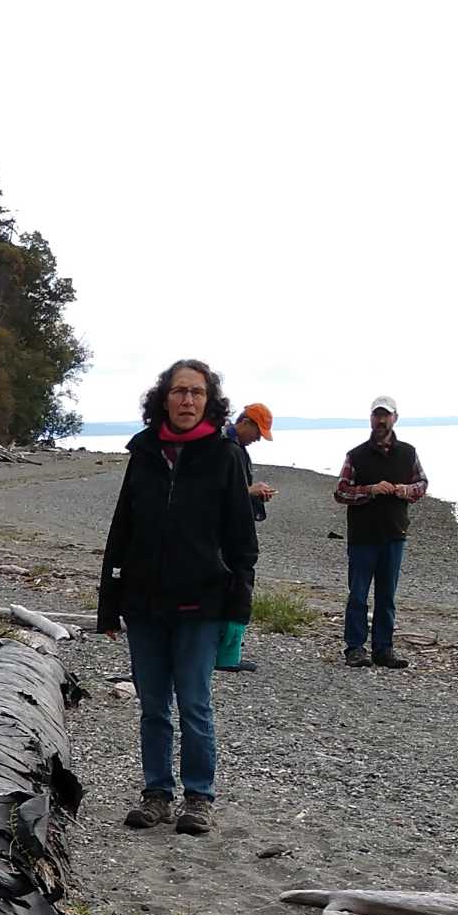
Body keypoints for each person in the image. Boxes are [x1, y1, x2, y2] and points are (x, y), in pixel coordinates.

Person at [96, 357, 257, 837]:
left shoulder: (224, 456)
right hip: (144, 605)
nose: (187, 400)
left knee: (194, 703)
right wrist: (109, 602)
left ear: (209, 402)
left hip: (201, 605)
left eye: (196, 393)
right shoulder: (144, 452)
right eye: (179, 391)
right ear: (163, 398)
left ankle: (199, 797)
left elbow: (243, 543)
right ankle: (156, 794)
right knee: (152, 706)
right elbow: (120, 530)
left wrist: (239, 611)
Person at [335, 396, 427, 666]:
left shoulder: (408, 452)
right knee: (358, 595)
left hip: (394, 534)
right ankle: (354, 648)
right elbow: (340, 491)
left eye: (385, 415)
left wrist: (405, 490)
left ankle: (383, 649)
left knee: (387, 596)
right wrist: (371, 490)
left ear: (395, 418)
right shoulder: (356, 455)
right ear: (371, 418)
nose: (381, 420)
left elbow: (422, 483)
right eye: (377, 415)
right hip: (363, 536)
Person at [216, 401, 275, 671]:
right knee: (237, 585)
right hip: (227, 535)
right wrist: (250, 491)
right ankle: (226, 655)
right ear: (246, 423)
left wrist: (252, 493)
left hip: (235, 528)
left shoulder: (236, 449)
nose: (257, 440)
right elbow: (220, 491)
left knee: (237, 585)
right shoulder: (225, 447)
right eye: (257, 433)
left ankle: (228, 652)